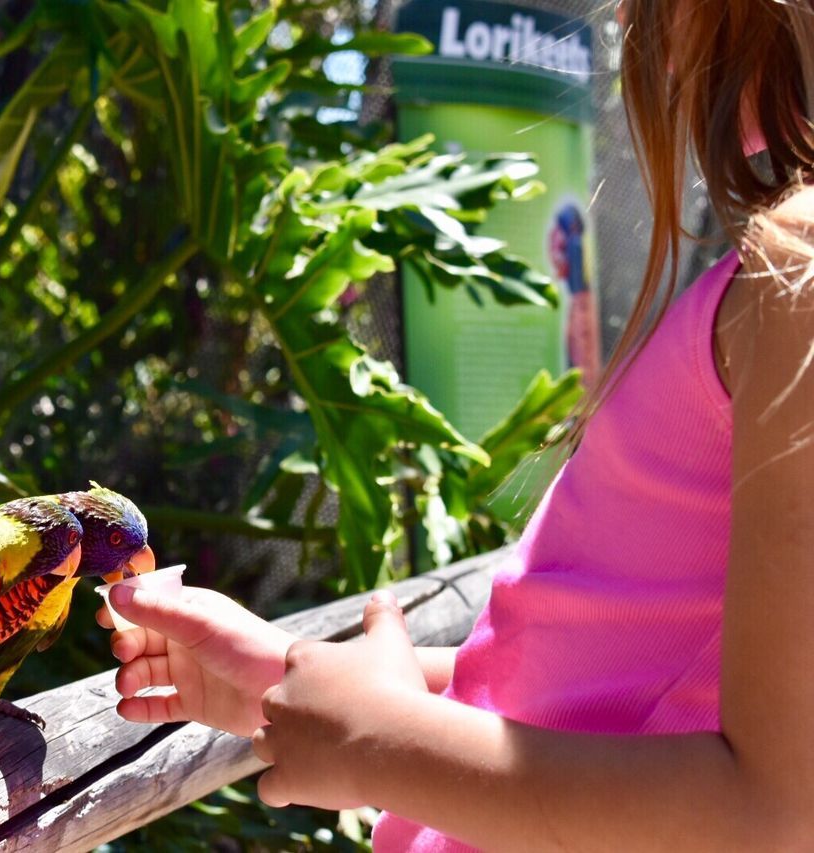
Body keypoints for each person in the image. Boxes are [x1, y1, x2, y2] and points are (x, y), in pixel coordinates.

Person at [96, 1, 814, 848]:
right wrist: (290, 680)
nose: (628, 14)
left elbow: (775, 814)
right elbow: (590, 680)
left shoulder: (797, 276)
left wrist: (381, 744)